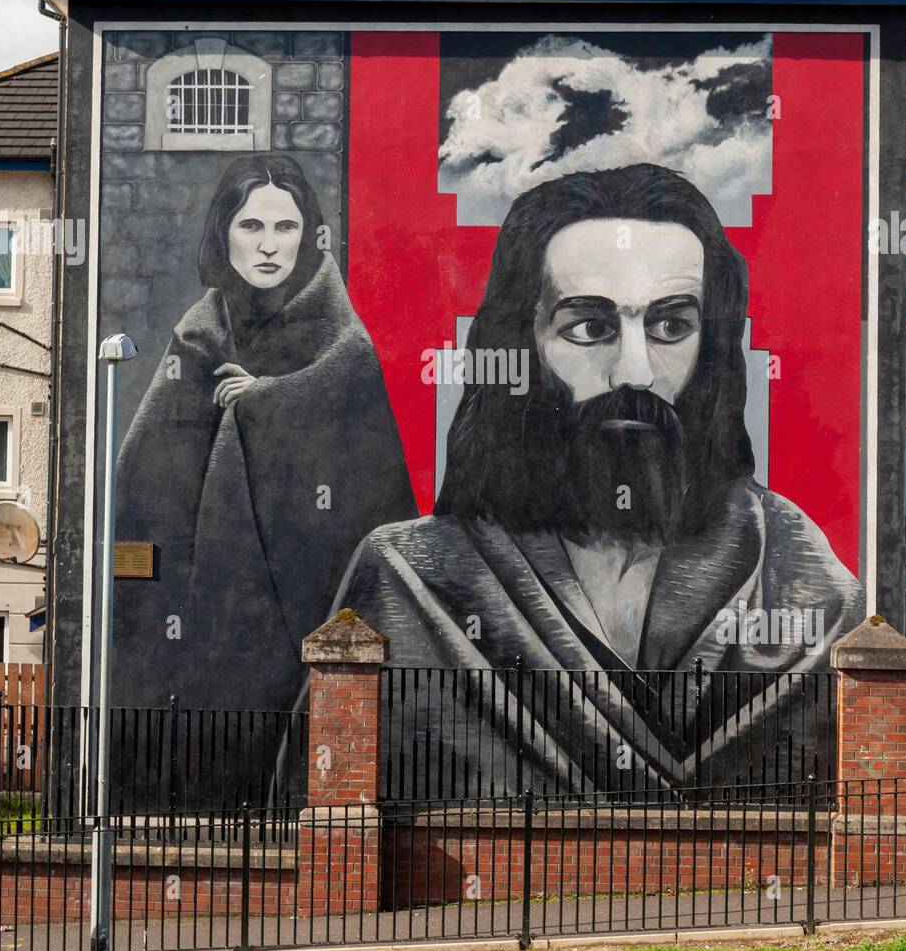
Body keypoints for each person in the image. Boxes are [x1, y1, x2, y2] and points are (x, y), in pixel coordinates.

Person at [333, 163, 865, 796]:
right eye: (590, 327)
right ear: (522, 343)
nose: (634, 372)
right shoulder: (413, 578)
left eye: (671, 326)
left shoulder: (799, 577)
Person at [115, 153, 416, 711]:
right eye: (251, 225)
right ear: (224, 233)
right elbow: (145, 488)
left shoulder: (345, 346)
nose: (269, 244)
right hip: (208, 625)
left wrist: (266, 402)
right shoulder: (198, 338)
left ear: (307, 236)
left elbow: (372, 501)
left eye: (286, 226)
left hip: (312, 618)